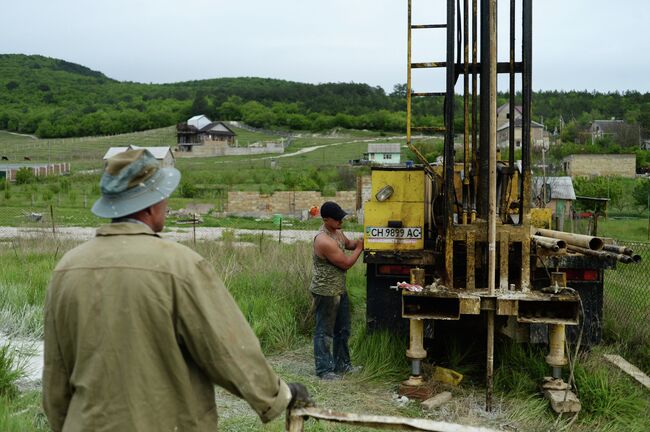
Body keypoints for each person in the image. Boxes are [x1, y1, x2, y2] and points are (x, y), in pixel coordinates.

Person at [42, 149, 312, 431]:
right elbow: (228, 349)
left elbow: (55, 375)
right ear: (149, 206)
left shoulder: (66, 269)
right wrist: (279, 395)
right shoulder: (180, 265)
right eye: (164, 196)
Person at [309, 201, 363, 380]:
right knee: (324, 331)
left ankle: (343, 366)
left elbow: (348, 244)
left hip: (339, 289)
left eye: (342, 216)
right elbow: (346, 263)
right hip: (325, 291)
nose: (342, 220)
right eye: (338, 218)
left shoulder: (337, 232)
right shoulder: (323, 240)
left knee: (343, 329)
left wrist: (362, 241)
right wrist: (361, 249)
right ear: (326, 220)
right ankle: (324, 370)